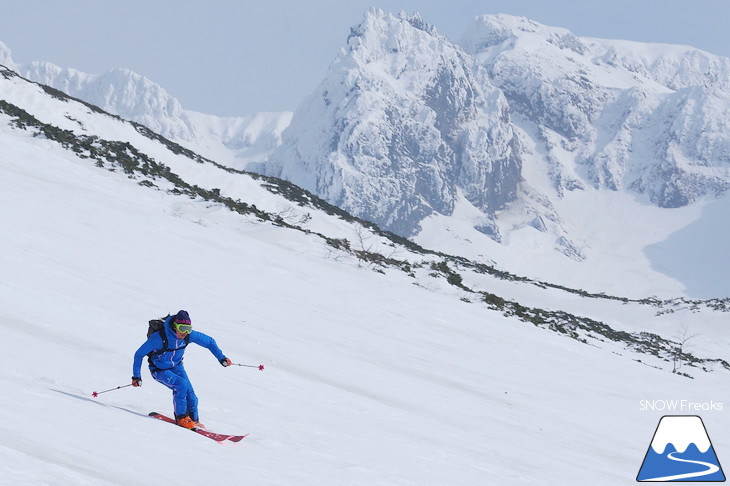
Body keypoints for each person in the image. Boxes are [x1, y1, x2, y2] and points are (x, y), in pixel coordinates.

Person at [132, 310, 231, 429]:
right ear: (175, 326)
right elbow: (139, 354)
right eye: (182, 328)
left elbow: (209, 342)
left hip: (177, 366)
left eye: (188, 329)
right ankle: (181, 418)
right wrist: (136, 376)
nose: (185, 332)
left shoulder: (188, 336)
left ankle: (194, 420)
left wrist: (221, 358)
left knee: (191, 395)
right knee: (181, 385)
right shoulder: (159, 338)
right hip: (159, 369)